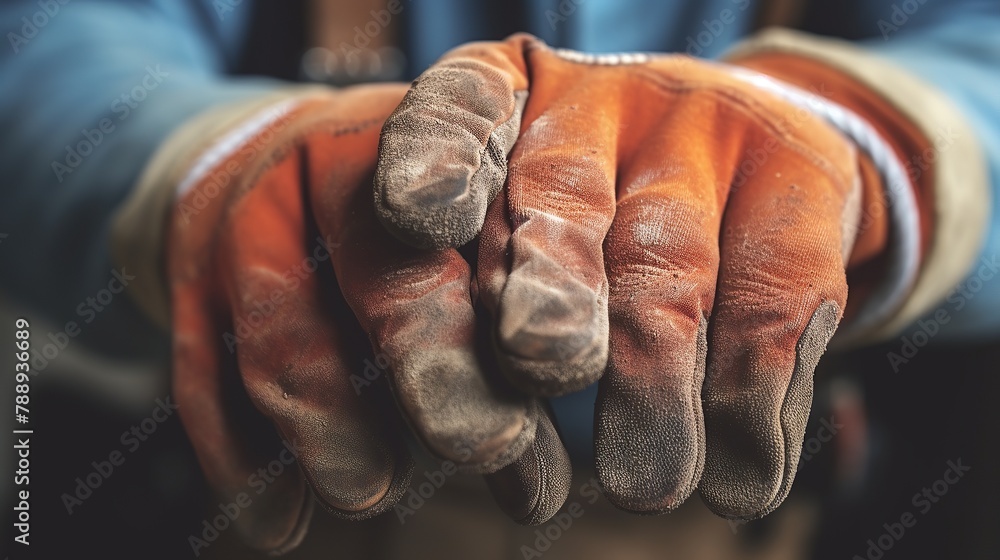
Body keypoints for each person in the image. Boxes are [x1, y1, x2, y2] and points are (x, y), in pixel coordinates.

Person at [1, 0, 997, 556]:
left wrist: (875, 152)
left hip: (760, 522)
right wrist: (210, 161)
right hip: (304, 515)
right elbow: (49, 40)